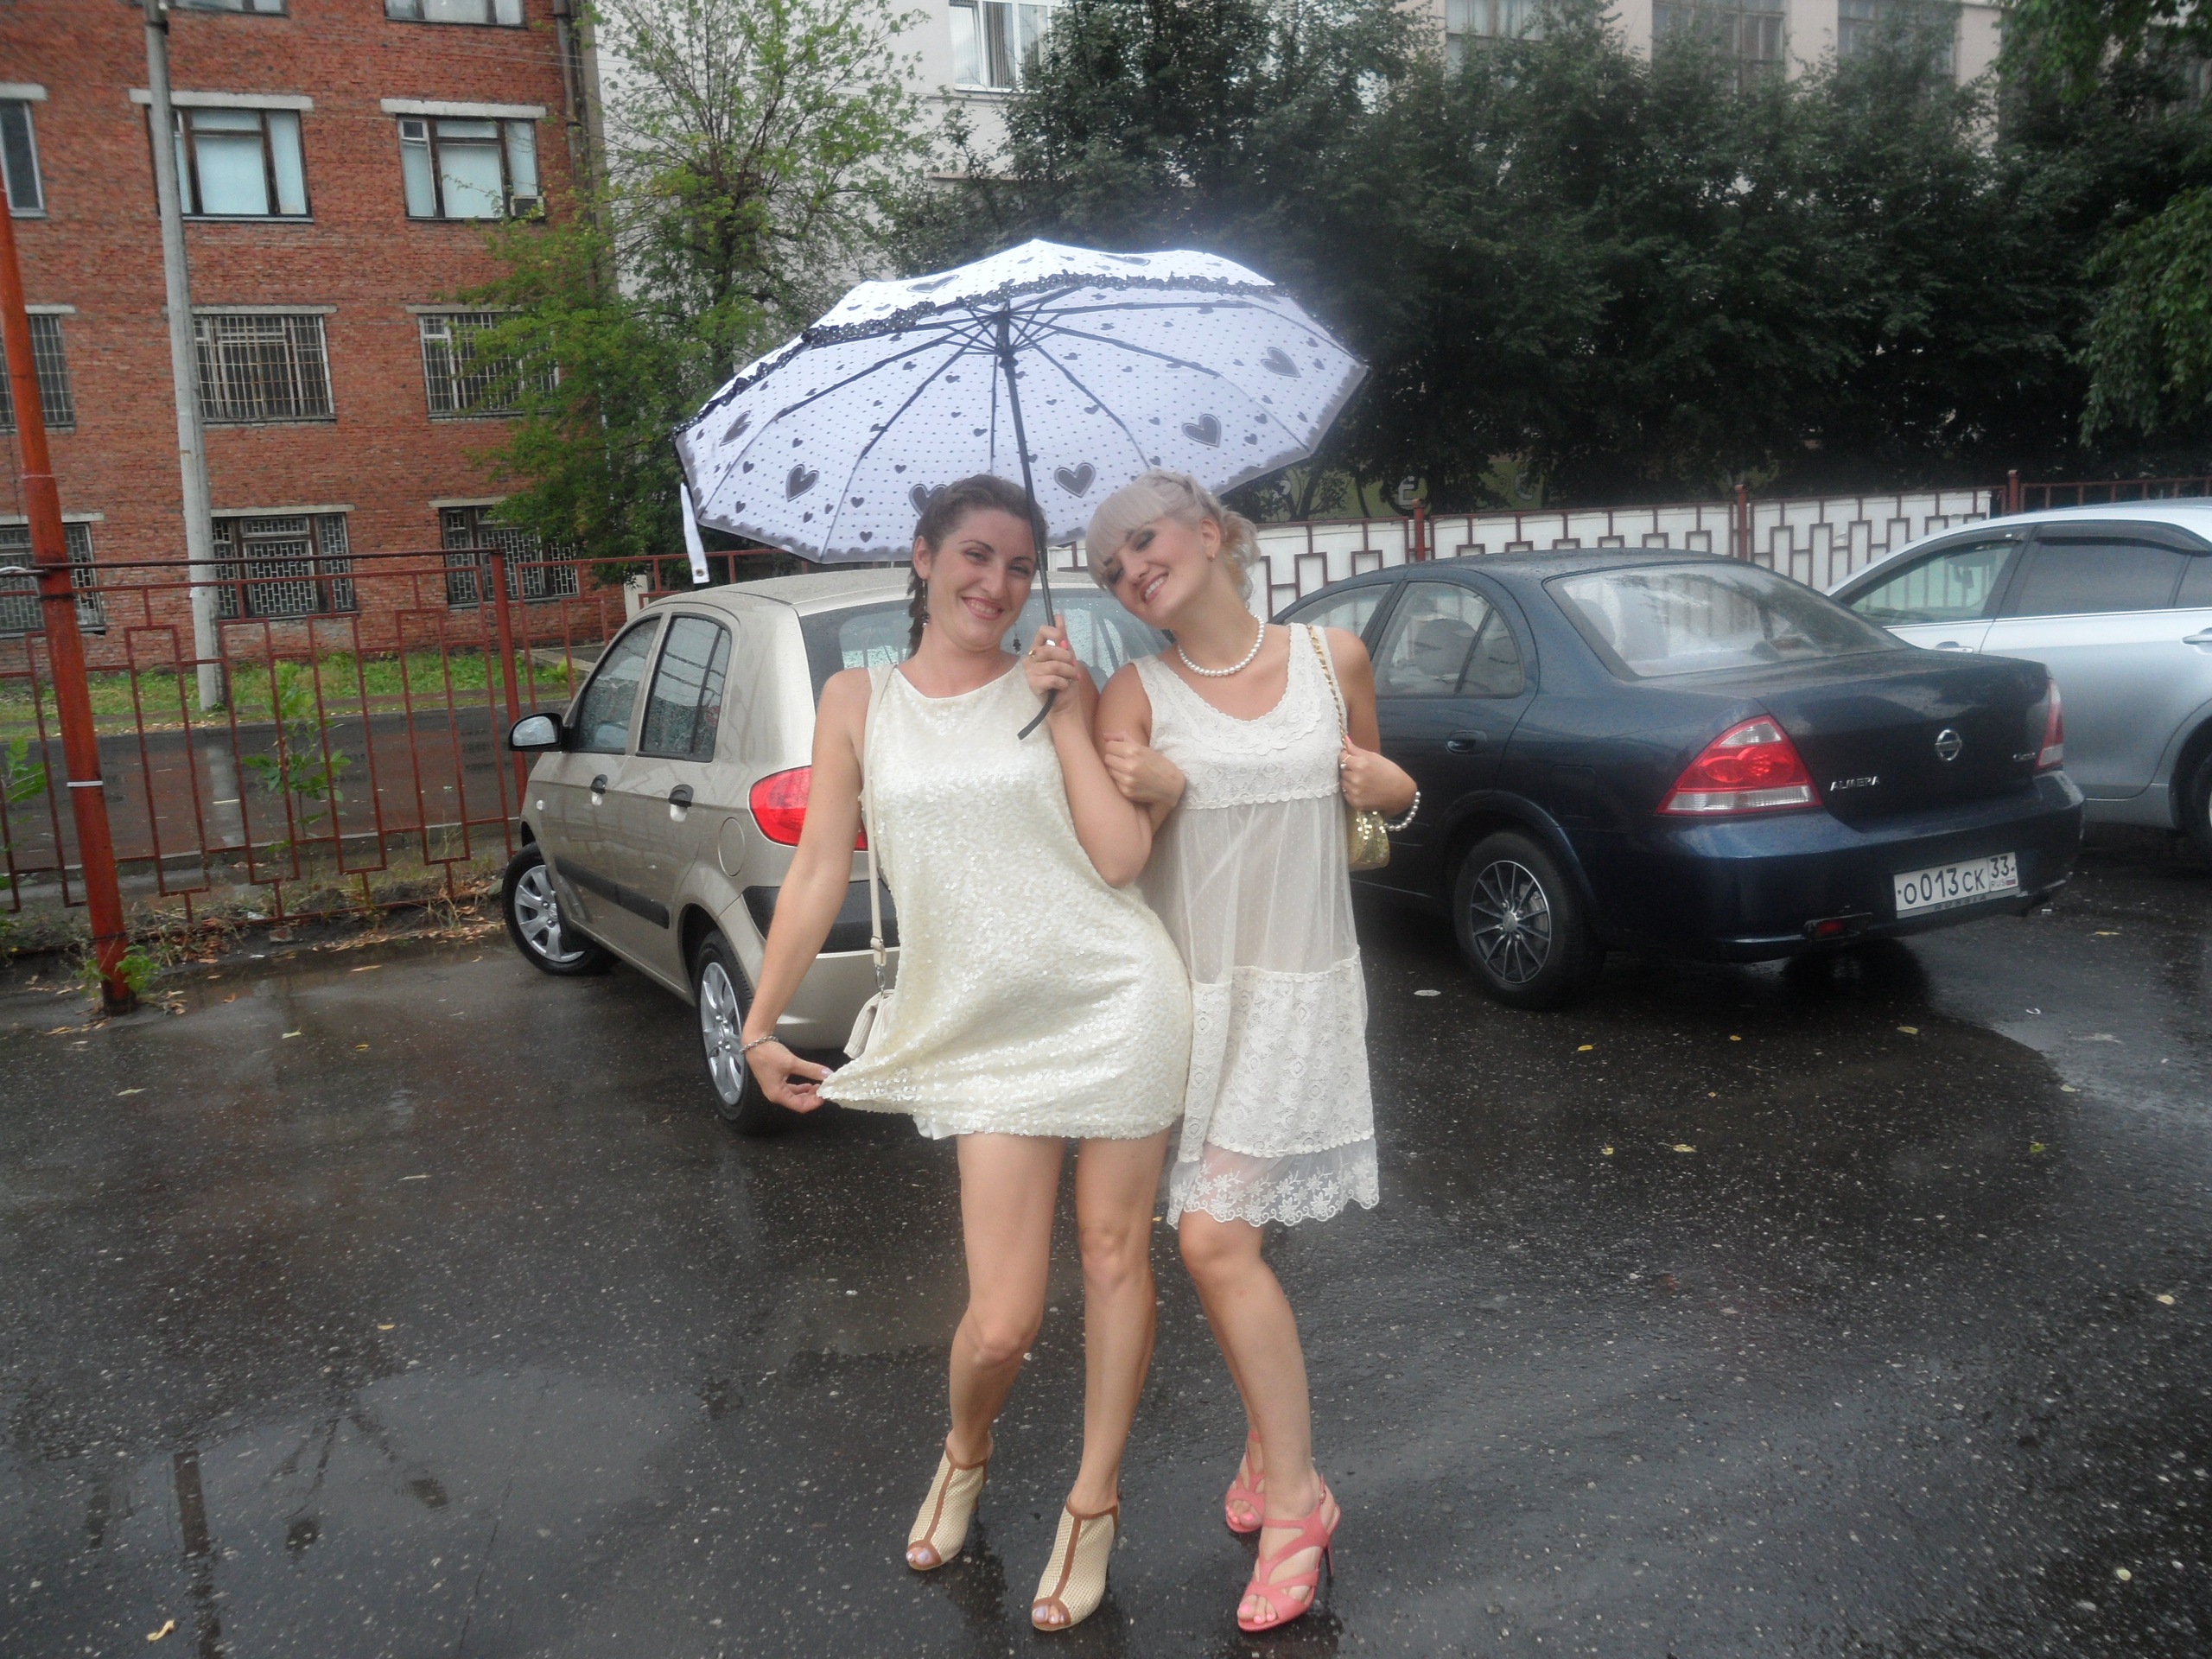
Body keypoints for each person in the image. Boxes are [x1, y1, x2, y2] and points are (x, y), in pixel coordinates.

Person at [737, 474, 1192, 1633]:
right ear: (925, 556)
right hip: (985, 1028)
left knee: (1114, 1259)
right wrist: (760, 1023)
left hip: (1115, 997)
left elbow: (1119, 860)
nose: (998, 583)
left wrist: (1070, 713)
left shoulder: (1055, 681)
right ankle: (965, 1448)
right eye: (977, 556)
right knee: (1001, 1322)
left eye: (1020, 565)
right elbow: (818, 869)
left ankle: (1093, 1504)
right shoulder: (858, 700)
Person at [1084, 469, 1417, 1633]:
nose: (1131, 569)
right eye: (1109, 566)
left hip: (1298, 997)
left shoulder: (1335, 660)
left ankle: (1296, 1501)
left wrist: (1401, 792)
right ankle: (1268, 1446)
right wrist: (1158, 792)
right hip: (1186, 1003)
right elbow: (1115, 862)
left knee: (1215, 1238)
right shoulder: (1131, 695)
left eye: (1143, 539)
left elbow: (1370, 815)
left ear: (1210, 530)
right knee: (1238, 1237)